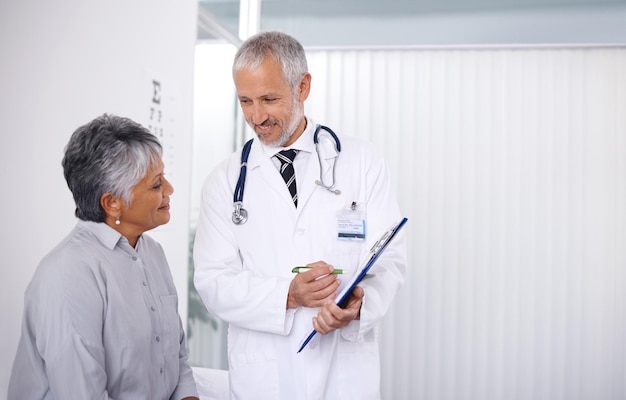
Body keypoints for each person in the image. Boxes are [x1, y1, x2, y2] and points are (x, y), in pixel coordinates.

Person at [193, 31, 406, 399]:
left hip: (345, 375)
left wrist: (359, 305)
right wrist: (287, 295)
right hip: (265, 377)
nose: (256, 116)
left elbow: (390, 261)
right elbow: (213, 283)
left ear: (302, 86)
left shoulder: (362, 162)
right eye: (245, 101)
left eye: (269, 99)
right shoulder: (225, 182)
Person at [8, 114, 199, 400]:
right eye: (157, 184)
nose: (169, 190)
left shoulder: (152, 253)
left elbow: (176, 359)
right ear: (112, 203)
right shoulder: (67, 274)